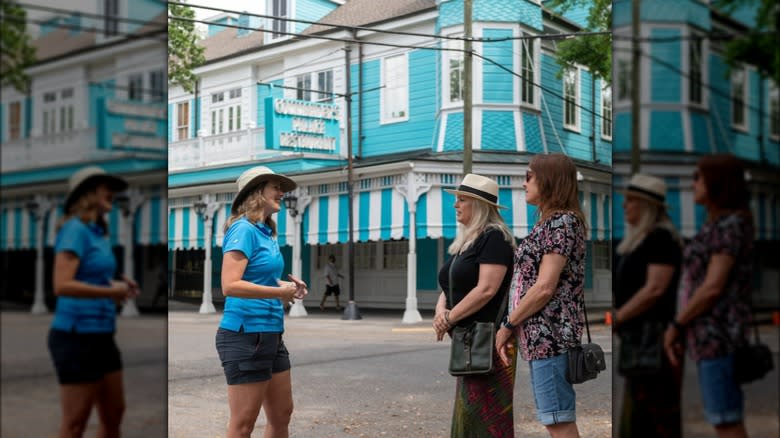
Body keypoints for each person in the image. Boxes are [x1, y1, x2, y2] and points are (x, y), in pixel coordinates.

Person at [495, 153, 586, 438]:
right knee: (554, 417)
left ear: (548, 179)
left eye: (529, 176)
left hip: (551, 337)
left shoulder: (562, 223)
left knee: (557, 419)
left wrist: (509, 324)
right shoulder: (551, 223)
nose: (524, 184)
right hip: (540, 338)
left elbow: (545, 286)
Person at [663, 154, 754, 438]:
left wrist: (677, 324)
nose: (693, 184)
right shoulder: (717, 224)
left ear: (717, 182)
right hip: (706, 337)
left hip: (719, 337)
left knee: (725, 420)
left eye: (698, 177)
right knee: (722, 417)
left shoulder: (731, 225)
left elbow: (713, 286)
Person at [215, 165, 308, 438]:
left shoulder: (265, 232)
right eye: (275, 187)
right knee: (243, 423)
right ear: (257, 192)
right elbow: (230, 285)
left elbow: (259, 279)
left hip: (271, 333)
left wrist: (288, 286)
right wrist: (280, 294)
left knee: (281, 415)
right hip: (245, 335)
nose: (281, 192)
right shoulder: (243, 229)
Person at [48, 166, 140, 438]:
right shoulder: (74, 229)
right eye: (105, 186)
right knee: (75, 421)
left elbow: (92, 274)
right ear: (88, 193)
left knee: (114, 415)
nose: (112, 191)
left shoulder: (96, 232)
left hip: (102, 335)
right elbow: (62, 285)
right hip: (76, 336)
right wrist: (111, 292)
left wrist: (118, 280)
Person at [432, 173, 517, 438]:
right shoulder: (468, 240)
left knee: (487, 419)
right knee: (468, 416)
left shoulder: (494, 237)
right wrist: (440, 313)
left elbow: (486, 289)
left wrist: (449, 318)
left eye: (461, 200)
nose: (455, 205)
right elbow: (449, 284)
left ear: (479, 205)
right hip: (469, 340)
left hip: (490, 340)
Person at [613, 174, 684, 437]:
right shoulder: (640, 239)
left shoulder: (660, 238)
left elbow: (655, 289)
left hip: (655, 337)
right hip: (640, 338)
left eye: (630, 201)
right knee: (639, 413)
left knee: (654, 414)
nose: (624, 206)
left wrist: (619, 316)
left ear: (645, 206)